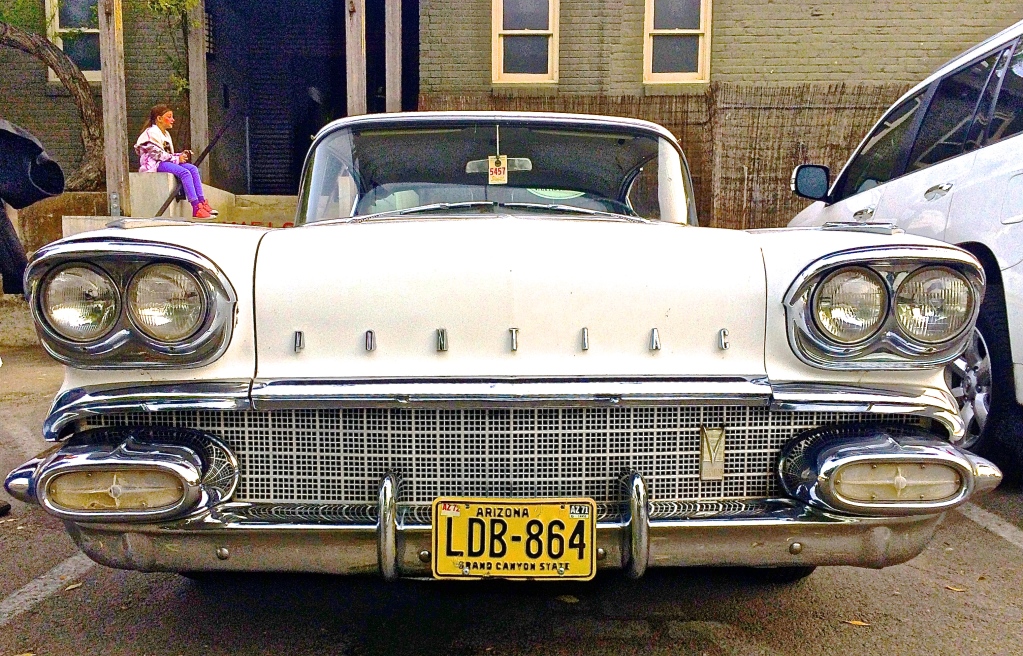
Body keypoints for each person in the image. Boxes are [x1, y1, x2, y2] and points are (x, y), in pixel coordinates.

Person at [134, 105, 217, 219]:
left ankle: (202, 202)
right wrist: (177, 159)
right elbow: (156, 154)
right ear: (159, 118)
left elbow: (167, 153)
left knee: (193, 169)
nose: (173, 120)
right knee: (184, 173)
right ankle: (196, 207)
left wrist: (180, 155)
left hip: (165, 162)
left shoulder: (166, 134)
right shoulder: (151, 133)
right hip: (154, 164)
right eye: (169, 117)